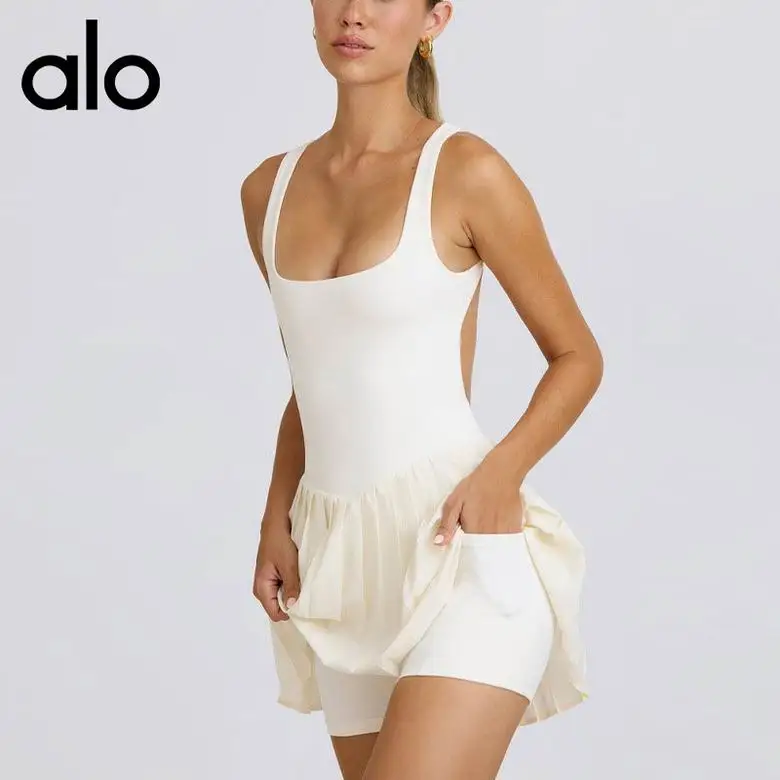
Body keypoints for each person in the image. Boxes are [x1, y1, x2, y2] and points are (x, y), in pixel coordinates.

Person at [240, 1, 603, 778]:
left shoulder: (466, 170)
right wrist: (276, 518)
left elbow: (577, 356)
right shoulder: (267, 190)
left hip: (456, 552)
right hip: (338, 572)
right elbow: (314, 380)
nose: (355, 13)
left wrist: (501, 474)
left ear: (434, 20)